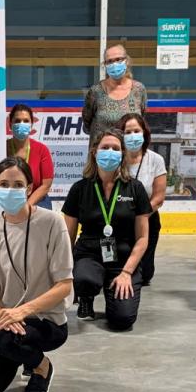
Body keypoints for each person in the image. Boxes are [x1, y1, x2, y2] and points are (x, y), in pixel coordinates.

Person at [0, 157, 74, 392]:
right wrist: (1, 317)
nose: (10, 189)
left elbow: (65, 285)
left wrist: (22, 312)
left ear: (29, 189)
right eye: (4, 183)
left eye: (18, 184)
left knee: (5, 339)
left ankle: (42, 367)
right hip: (11, 322)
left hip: (47, 321)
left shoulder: (52, 222)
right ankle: (24, 354)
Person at [62, 129, 151, 330]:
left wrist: (127, 272)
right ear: (95, 152)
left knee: (122, 321)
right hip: (89, 255)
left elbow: (143, 238)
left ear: (122, 154)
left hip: (123, 260)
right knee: (85, 278)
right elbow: (68, 236)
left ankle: (116, 287)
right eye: (105, 147)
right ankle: (85, 298)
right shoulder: (79, 188)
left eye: (115, 148)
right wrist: (65, 269)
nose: (110, 152)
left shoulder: (135, 188)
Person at [117, 113, 167, 287]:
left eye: (136, 131)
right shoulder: (114, 158)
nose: (132, 136)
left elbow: (158, 198)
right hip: (117, 220)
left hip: (147, 219)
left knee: (143, 276)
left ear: (144, 132)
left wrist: (139, 217)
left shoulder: (155, 160)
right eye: (127, 132)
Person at [81, 44, 148, 144]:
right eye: (110, 61)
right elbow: (87, 121)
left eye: (118, 59)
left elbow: (140, 119)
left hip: (129, 151)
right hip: (102, 152)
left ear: (126, 61)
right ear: (105, 65)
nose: (114, 64)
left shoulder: (139, 89)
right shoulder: (96, 91)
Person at [6, 103, 55, 209]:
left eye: (26, 121)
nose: (21, 124)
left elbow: (46, 185)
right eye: (17, 121)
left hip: (36, 199)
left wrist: (27, 206)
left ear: (31, 125)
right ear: (10, 125)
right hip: (8, 199)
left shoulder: (41, 150)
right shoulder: (2, 149)